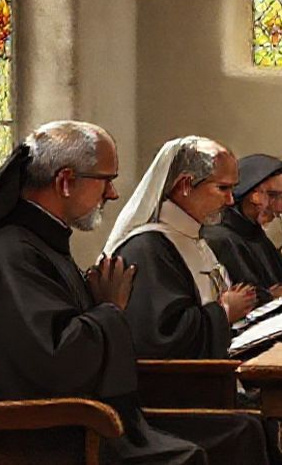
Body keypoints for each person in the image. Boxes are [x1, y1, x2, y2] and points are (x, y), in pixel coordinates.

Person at [0, 121, 206, 463]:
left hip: (61, 423)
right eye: (106, 180)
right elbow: (57, 363)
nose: (112, 194)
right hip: (29, 440)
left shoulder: (37, 242)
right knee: (194, 454)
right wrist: (109, 308)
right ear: (65, 181)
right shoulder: (9, 253)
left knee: (241, 432)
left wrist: (98, 307)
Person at [105, 136, 257, 359]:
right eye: (222, 188)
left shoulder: (194, 238)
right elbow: (160, 338)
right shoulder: (147, 249)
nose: (230, 200)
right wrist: (223, 312)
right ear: (185, 185)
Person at [203, 154, 282, 304]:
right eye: (273, 195)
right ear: (248, 191)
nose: (280, 207)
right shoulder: (220, 237)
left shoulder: (254, 232)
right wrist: (269, 296)